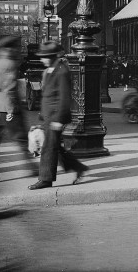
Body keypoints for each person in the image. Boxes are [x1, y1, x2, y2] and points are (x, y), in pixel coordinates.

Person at [28, 41, 89, 189]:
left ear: (51, 56)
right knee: (54, 146)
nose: (41, 59)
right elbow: (48, 96)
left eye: (44, 56)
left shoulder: (61, 71)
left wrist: (59, 119)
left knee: (48, 147)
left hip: (55, 116)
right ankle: (78, 167)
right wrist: (42, 116)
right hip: (48, 116)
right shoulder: (50, 70)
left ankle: (45, 179)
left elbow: (64, 97)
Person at [0, 35, 36, 183]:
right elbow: (9, 89)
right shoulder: (10, 64)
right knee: (21, 138)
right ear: (9, 48)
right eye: (15, 47)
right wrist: (10, 110)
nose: (16, 50)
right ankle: (32, 169)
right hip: (6, 107)